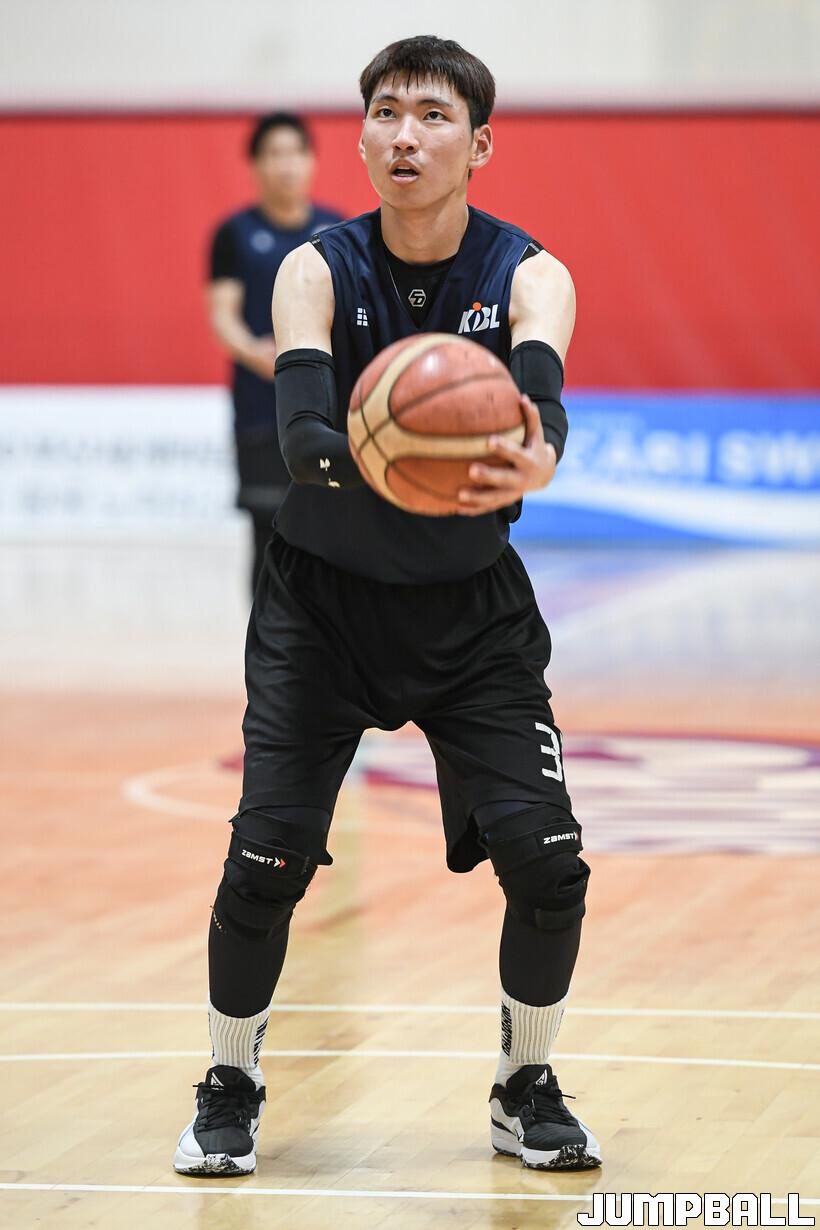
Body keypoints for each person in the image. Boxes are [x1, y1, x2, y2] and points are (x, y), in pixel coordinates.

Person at [175, 35, 600, 1177]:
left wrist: (533, 445)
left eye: (432, 115)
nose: (404, 135)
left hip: (471, 616)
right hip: (321, 613)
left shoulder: (531, 275)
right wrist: (406, 442)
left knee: (549, 863)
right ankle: (229, 1080)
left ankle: (524, 1086)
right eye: (385, 113)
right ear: (361, 137)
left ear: (480, 144)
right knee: (265, 861)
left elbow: (543, 412)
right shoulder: (313, 269)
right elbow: (305, 441)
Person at [208, 113, 342, 594]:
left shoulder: (336, 230)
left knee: (329, 533)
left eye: (295, 153)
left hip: (325, 411)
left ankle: (327, 633)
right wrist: (255, 353)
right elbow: (223, 316)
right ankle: (265, 636)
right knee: (267, 532)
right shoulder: (234, 233)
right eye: (274, 154)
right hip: (260, 413)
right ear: (256, 165)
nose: (286, 165)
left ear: (311, 161)